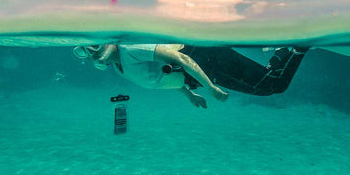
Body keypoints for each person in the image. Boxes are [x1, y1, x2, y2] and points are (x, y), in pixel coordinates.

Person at [73, 43, 309, 108]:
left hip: (204, 59)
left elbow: (181, 59)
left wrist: (211, 88)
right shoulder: (119, 67)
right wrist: (190, 96)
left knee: (272, 86)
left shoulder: (130, 49)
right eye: (85, 51)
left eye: (94, 46)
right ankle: (284, 51)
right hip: (197, 73)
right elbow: (162, 75)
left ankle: (297, 48)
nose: (92, 53)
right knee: (270, 85)